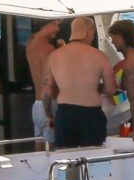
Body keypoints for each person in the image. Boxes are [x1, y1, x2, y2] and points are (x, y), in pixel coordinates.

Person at [38, 17, 114, 149]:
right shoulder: (99, 56)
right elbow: (111, 89)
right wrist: (98, 88)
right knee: (93, 157)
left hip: (65, 113)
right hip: (92, 114)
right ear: (88, 32)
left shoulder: (54, 56)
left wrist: (49, 116)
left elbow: (47, 91)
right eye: (93, 33)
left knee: (67, 157)